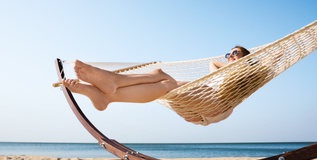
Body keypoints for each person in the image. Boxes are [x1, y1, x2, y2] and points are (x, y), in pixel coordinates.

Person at [62, 46, 251, 123]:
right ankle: (107, 94)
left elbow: (262, 66)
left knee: (167, 83)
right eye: (229, 54)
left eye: (236, 53)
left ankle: (113, 86)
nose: (231, 56)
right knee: (164, 81)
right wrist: (228, 61)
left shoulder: (244, 74)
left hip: (218, 105)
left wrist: (247, 61)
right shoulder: (222, 72)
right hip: (201, 105)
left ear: (246, 61)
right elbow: (214, 64)